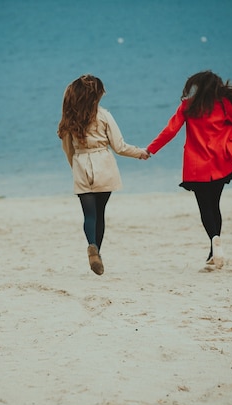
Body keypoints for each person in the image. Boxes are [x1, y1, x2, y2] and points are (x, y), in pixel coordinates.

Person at [146, 70, 232, 269]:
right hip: (220, 163)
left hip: (197, 166)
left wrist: (150, 150)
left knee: (205, 207)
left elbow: (170, 131)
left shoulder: (188, 105)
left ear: (197, 86)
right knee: (215, 204)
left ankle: (213, 241)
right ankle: (214, 247)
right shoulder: (225, 104)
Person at [58, 74, 149, 275]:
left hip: (82, 165)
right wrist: (140, 152)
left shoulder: (69, 118)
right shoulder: (104, 115)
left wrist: (75, 168)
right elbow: (119, 146)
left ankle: (92, 246)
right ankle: (97, 252)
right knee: (100, 214)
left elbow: (68, 150)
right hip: (104, 166)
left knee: (89, 214)